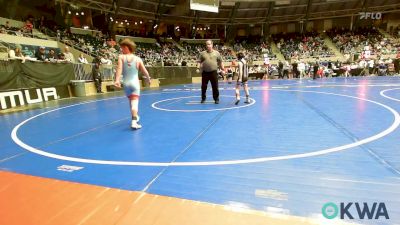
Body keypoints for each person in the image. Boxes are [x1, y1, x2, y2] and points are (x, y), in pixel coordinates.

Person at [114, 39, 151, 130]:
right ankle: (134, 121)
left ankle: (135, 117)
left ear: (127, 47)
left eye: (122, 48)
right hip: (135, 83)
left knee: (131, 101)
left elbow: (119, 69)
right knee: (134, 102)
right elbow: (144, 70)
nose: (121, 50)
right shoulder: (138, 59)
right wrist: (148, 78)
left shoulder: (121, 57)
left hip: (126, 84)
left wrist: (117, 80)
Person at [198, 40, 224, 104]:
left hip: (214, 72)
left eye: (209, 44)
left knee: (215, 86)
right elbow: (199, 61)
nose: (208, 46)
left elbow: (220, 61)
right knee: (203, 87)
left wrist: (223, 69)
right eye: (207, 44)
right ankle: (203, 98)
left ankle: (216, 99)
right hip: (205, 72)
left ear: (212, 45)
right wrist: (198, 68)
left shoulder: (217, 53)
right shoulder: (202, 53)